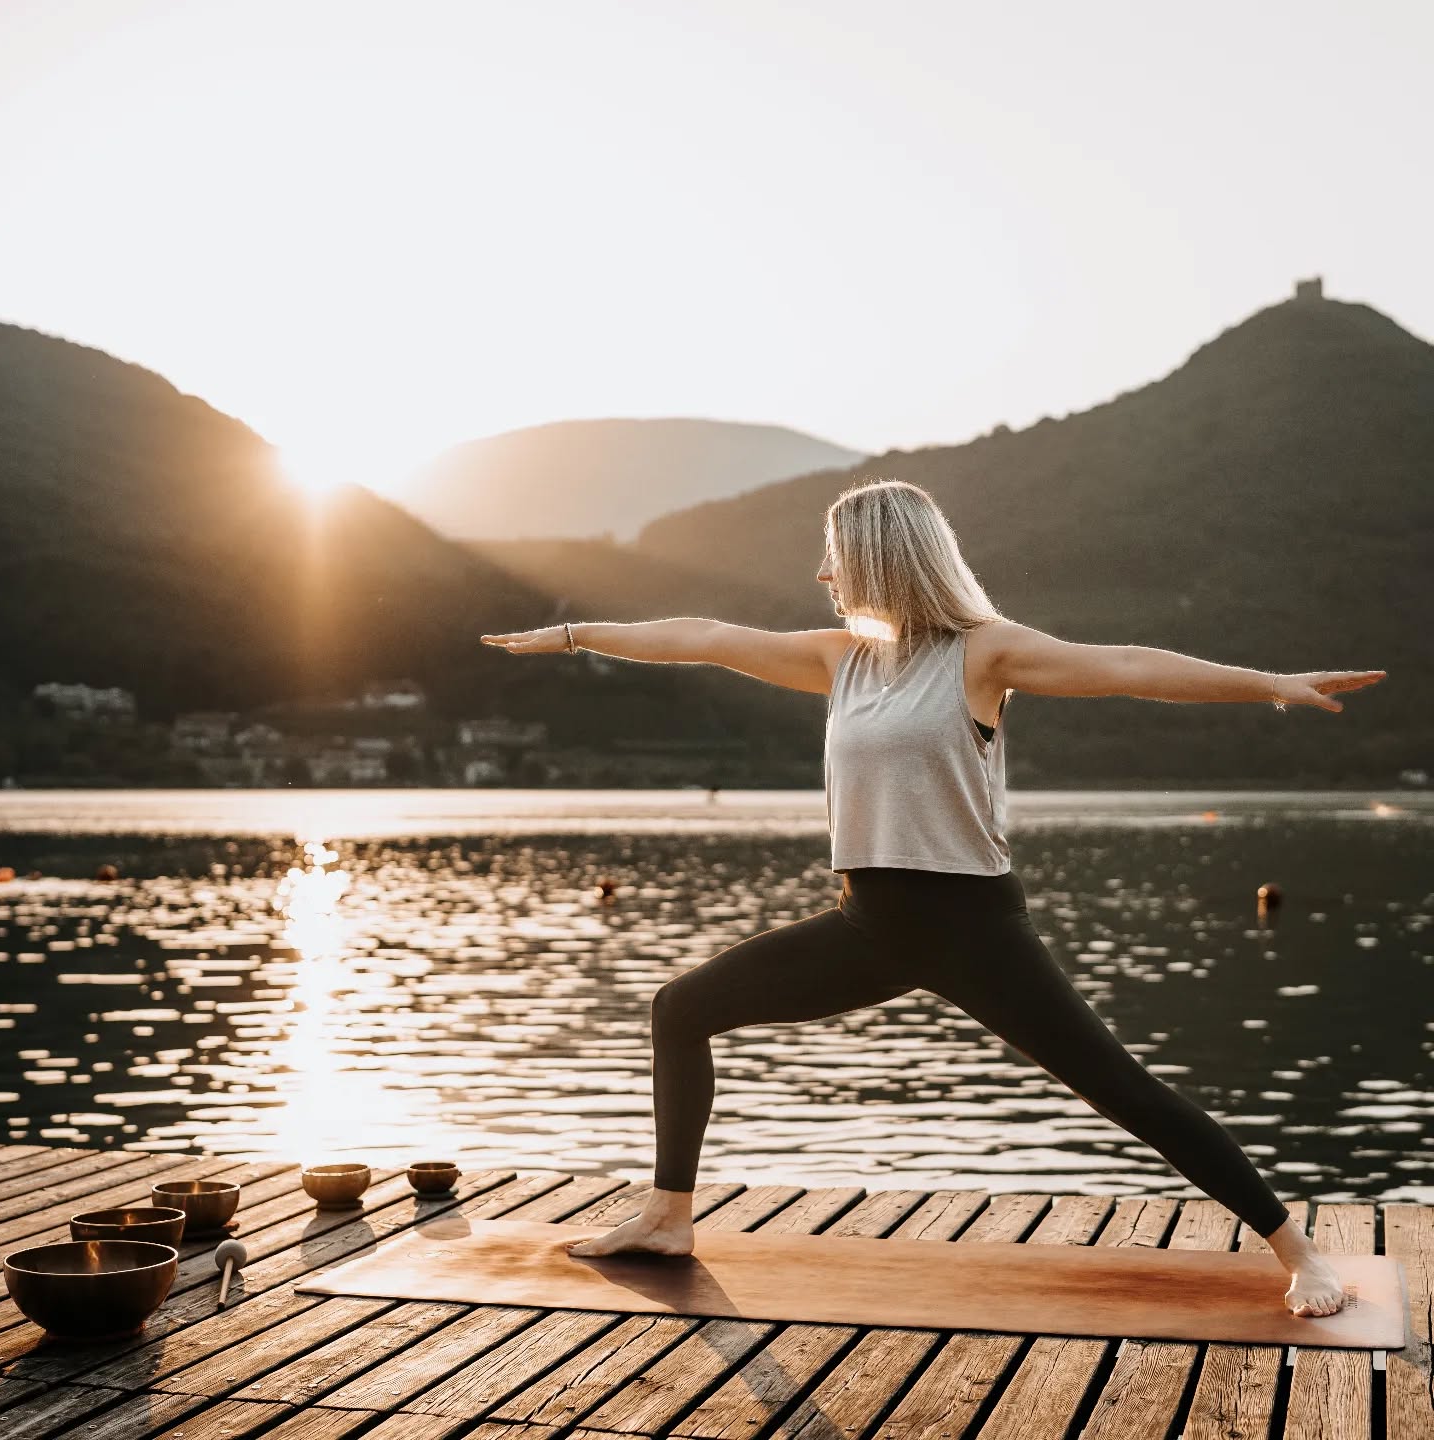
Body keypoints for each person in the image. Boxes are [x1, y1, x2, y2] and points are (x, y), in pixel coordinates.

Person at [481, 477, 1388, 1319]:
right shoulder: (839, 661)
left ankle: (1300, 1253)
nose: (822, 573)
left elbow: (1124, 663)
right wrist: (575, 634)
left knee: (1123, 1092)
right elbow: (705, 638)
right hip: (868, 923)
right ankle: (669, 1215)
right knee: (681, 1008)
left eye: (834, 554)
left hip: (972, 926)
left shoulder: (982, 653)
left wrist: (1268, 684)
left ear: (881, 557)